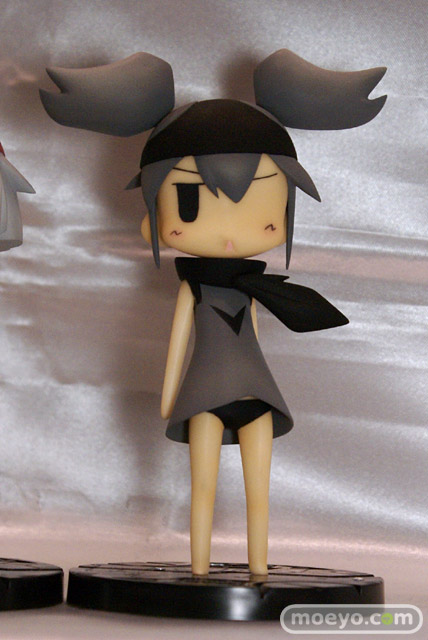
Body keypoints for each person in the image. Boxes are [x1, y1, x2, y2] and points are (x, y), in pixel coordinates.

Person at [40, 48, 386, 575]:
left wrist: (166, 399)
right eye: (191, 202)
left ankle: (260, 570)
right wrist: (168, 398)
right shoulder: (195, 287)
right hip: (202, 395)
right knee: (202, 486)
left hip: (258, 392)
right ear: (154, 215)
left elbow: (225, 336)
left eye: (261, 206)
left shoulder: (244, 287)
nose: (228, 234)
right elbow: (180, 342)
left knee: (258, 491)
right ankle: (199, 570)